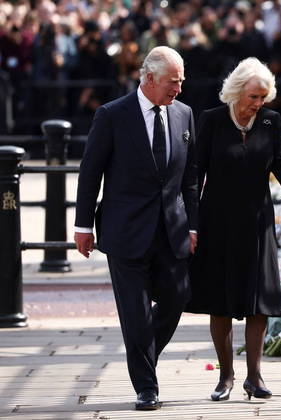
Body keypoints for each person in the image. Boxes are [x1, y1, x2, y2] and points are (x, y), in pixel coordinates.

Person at [74, 46, 198, 411]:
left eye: (181, 81)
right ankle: (147, 387)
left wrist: (194, 226)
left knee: (177, 298)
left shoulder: (185, 115)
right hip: (124, 229)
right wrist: (83, 226)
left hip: (171, 228)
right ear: (148, 79)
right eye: (172, 82)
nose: (178, 89)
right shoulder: (112, 115)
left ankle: (143, 355)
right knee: (135, 312)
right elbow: (90, 172)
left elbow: (190, 178)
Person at [186, 57, 281, 402]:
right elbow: (194, 175)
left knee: (260, 301)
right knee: (221, 302)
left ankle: (254, 376)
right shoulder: (211, 121)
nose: (258, 104)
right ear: (237, 91)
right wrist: (191, 223)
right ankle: (225, 375)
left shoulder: (271, 122)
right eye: (253, 97)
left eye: (263, 98)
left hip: (258, 222)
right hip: (217, 222)